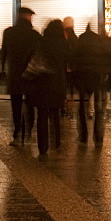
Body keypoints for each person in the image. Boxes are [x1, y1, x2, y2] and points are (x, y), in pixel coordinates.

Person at [25, 19, 71, 157]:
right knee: (55, 113)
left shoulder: (41, 41)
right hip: (57, 83)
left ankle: (42, 146)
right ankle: (56, 142)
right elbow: (69, 62)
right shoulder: (63, 44)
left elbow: (30, 58)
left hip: (42, 84)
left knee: (42, 115)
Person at [1, 7, 40, 145]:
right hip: (31, 75)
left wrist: (1, 70)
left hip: (15, 74)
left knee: (16, 106)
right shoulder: (34, 35)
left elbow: (3, 53)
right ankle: (28, 132)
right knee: (30, 105)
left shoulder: (9, 33)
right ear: (28, 17)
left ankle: (17, 133)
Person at [72, 21, 111, 143]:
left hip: (83, 76)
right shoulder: (105, 41)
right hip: (100, 77)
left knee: (82, 105)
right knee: (99, 106)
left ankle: (83, 134)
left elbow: (74, 57)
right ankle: (98, 134)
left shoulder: (82, 40)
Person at [63, 16, 79, 106]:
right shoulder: (74, 37)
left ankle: (65, 103)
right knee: (71, 87)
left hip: (64, 66)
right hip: (72, 67)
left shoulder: (64, 37)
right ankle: (70, 103)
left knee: (64, 86)